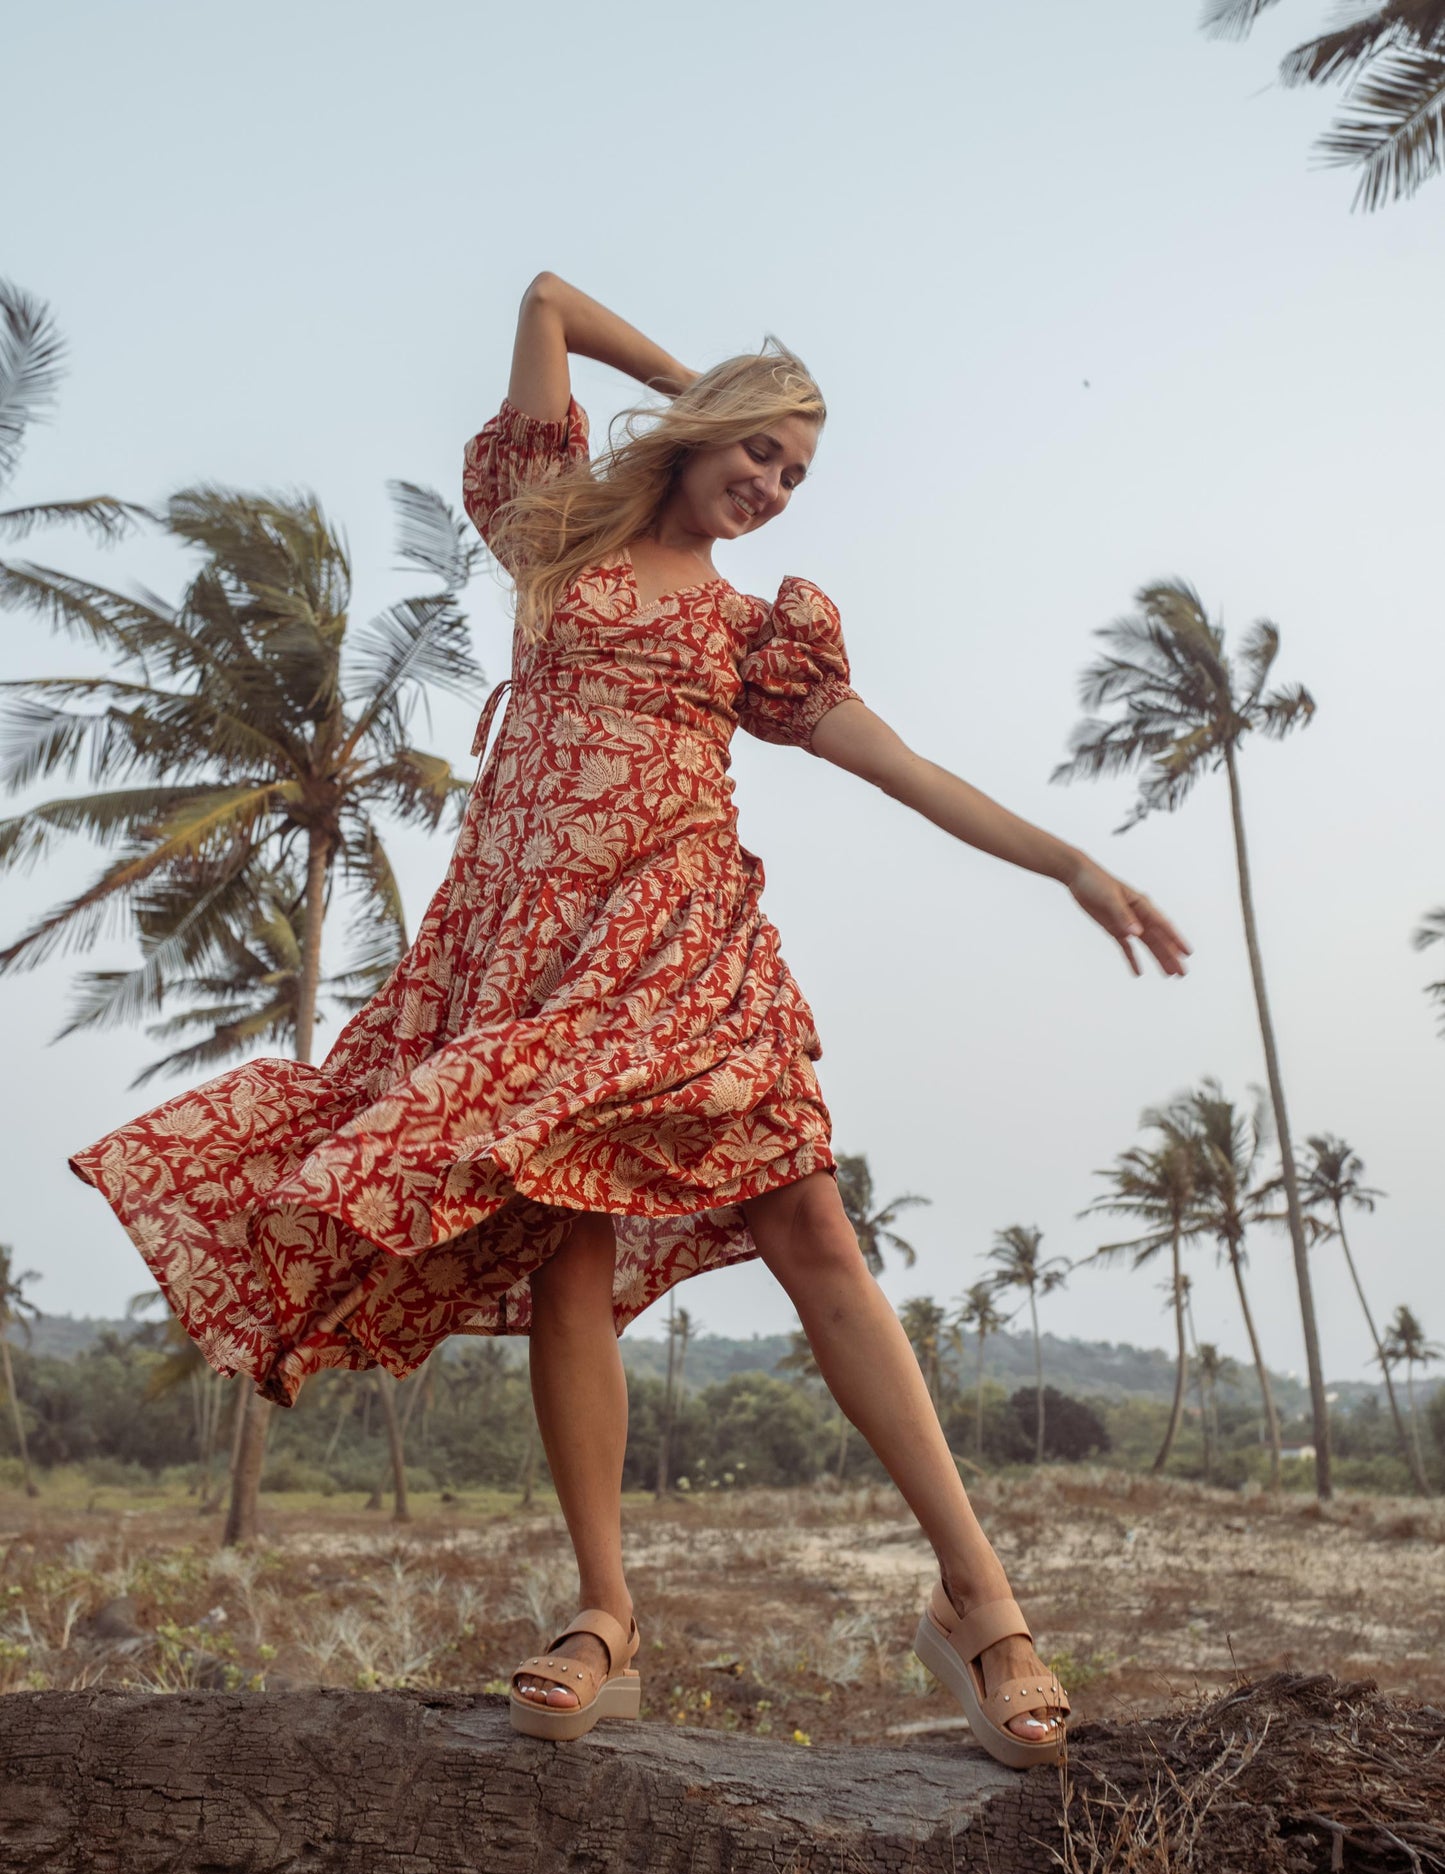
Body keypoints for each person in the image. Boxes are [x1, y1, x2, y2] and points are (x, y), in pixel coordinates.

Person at [71, 271, 1189, 1770]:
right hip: (524, 953)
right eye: (760, 453)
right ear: (704, 433)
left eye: (795, 473)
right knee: (567, 1253)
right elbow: (545, 300)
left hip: (678, 937)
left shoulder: (754, 635)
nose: (774, 487)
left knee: (813, 1233)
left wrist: (1066, 863)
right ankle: (605, 1611)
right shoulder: (555, 552)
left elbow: (903, 767)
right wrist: (701, 389)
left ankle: (979, 1603)